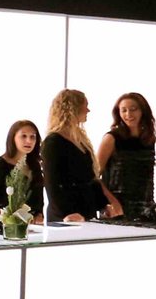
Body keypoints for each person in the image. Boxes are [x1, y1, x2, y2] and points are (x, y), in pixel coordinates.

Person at [41, 89, 118, 223]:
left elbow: (90, 178)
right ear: (73, 108)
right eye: (85, 106)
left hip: (85, 211)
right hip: (65, 216)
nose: (88, 110)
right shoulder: (53, 142)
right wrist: (66, 213)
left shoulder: (80, 140)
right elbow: (52, 183)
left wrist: (103, 204)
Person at [97, 92, 156, 217]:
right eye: (123, 110)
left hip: (146, 207)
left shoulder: (148, 139)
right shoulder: (111, 138)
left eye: (133, 109)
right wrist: (112, 202)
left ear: (143, 111)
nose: (128, 114)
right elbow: (94, 175)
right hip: (116, 208)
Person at [0, 120, 45, 222]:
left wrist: (39, 216)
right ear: (13, 138)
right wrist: (7, 219)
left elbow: (39, 201)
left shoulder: (35, 166)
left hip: (32, 226)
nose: (29, 141)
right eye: (23, 136)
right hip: (5, 225)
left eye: (32, 137)